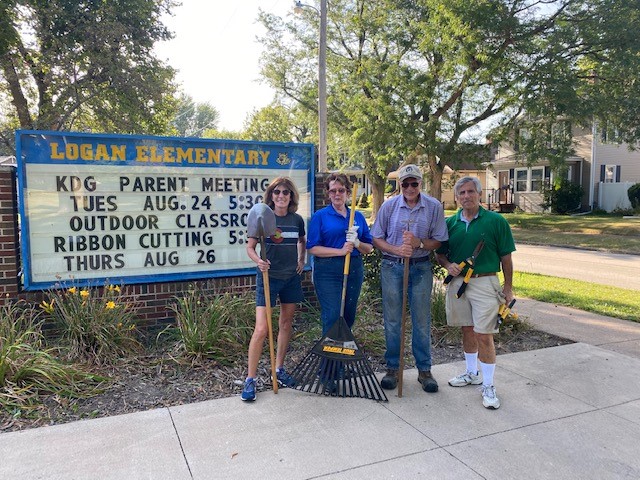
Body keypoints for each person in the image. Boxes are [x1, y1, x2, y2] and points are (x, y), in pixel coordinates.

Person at [435, 176, 516, 410]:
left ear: (479, 194)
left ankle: (488, 385)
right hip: (459, 283)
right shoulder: (451, 223)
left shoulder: (496, 221)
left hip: (485, 281)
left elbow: (506, 258)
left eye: (471, 192)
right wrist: (446, 264)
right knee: (467, 329)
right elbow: (440, 253)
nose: (466, 196)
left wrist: (508, 287)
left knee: (484, 334)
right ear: (457, 197)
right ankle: (472, 373)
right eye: (462, 193)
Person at [371, 164, 448, 393]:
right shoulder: (389, 206)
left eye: (414, 183)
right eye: (405, 183)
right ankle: (393, 368)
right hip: (392, 267)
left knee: (421, 321)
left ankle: (424, 370)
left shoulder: (433, 207)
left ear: (420, 184)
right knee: (393, 320)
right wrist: (396, 250)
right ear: (400, 185)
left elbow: (439, 240)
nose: (410, 187)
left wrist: (420, 243)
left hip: (421, 268)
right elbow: (377, 238)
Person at [241, 177, 307, 402]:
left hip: (291, 278)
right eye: (277, 192)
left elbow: (302, 240)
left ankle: (278, 370)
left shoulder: (297, 220)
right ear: (271, 195)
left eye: (286, 192)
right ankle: (250, 379)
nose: (281, 196)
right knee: (262, 329)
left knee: (286, 324)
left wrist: (302, 259)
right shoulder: (262, 218)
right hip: (268, 279)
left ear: (291, 196)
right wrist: (259, 261)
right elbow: (250, 247)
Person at [307, 173, 373, 335]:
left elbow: (369, 248)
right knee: (333, 314)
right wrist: (340, 251)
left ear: (348, 193)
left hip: (354, 268)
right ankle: (329, 358)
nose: (337, 194)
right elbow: (312, 248)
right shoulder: (320, 217)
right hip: (328, 270)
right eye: (333, 191)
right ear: (328, 193)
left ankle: (342, 353)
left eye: (341, 190)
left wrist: (357, 243)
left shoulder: (357, 216)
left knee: (348, 315)